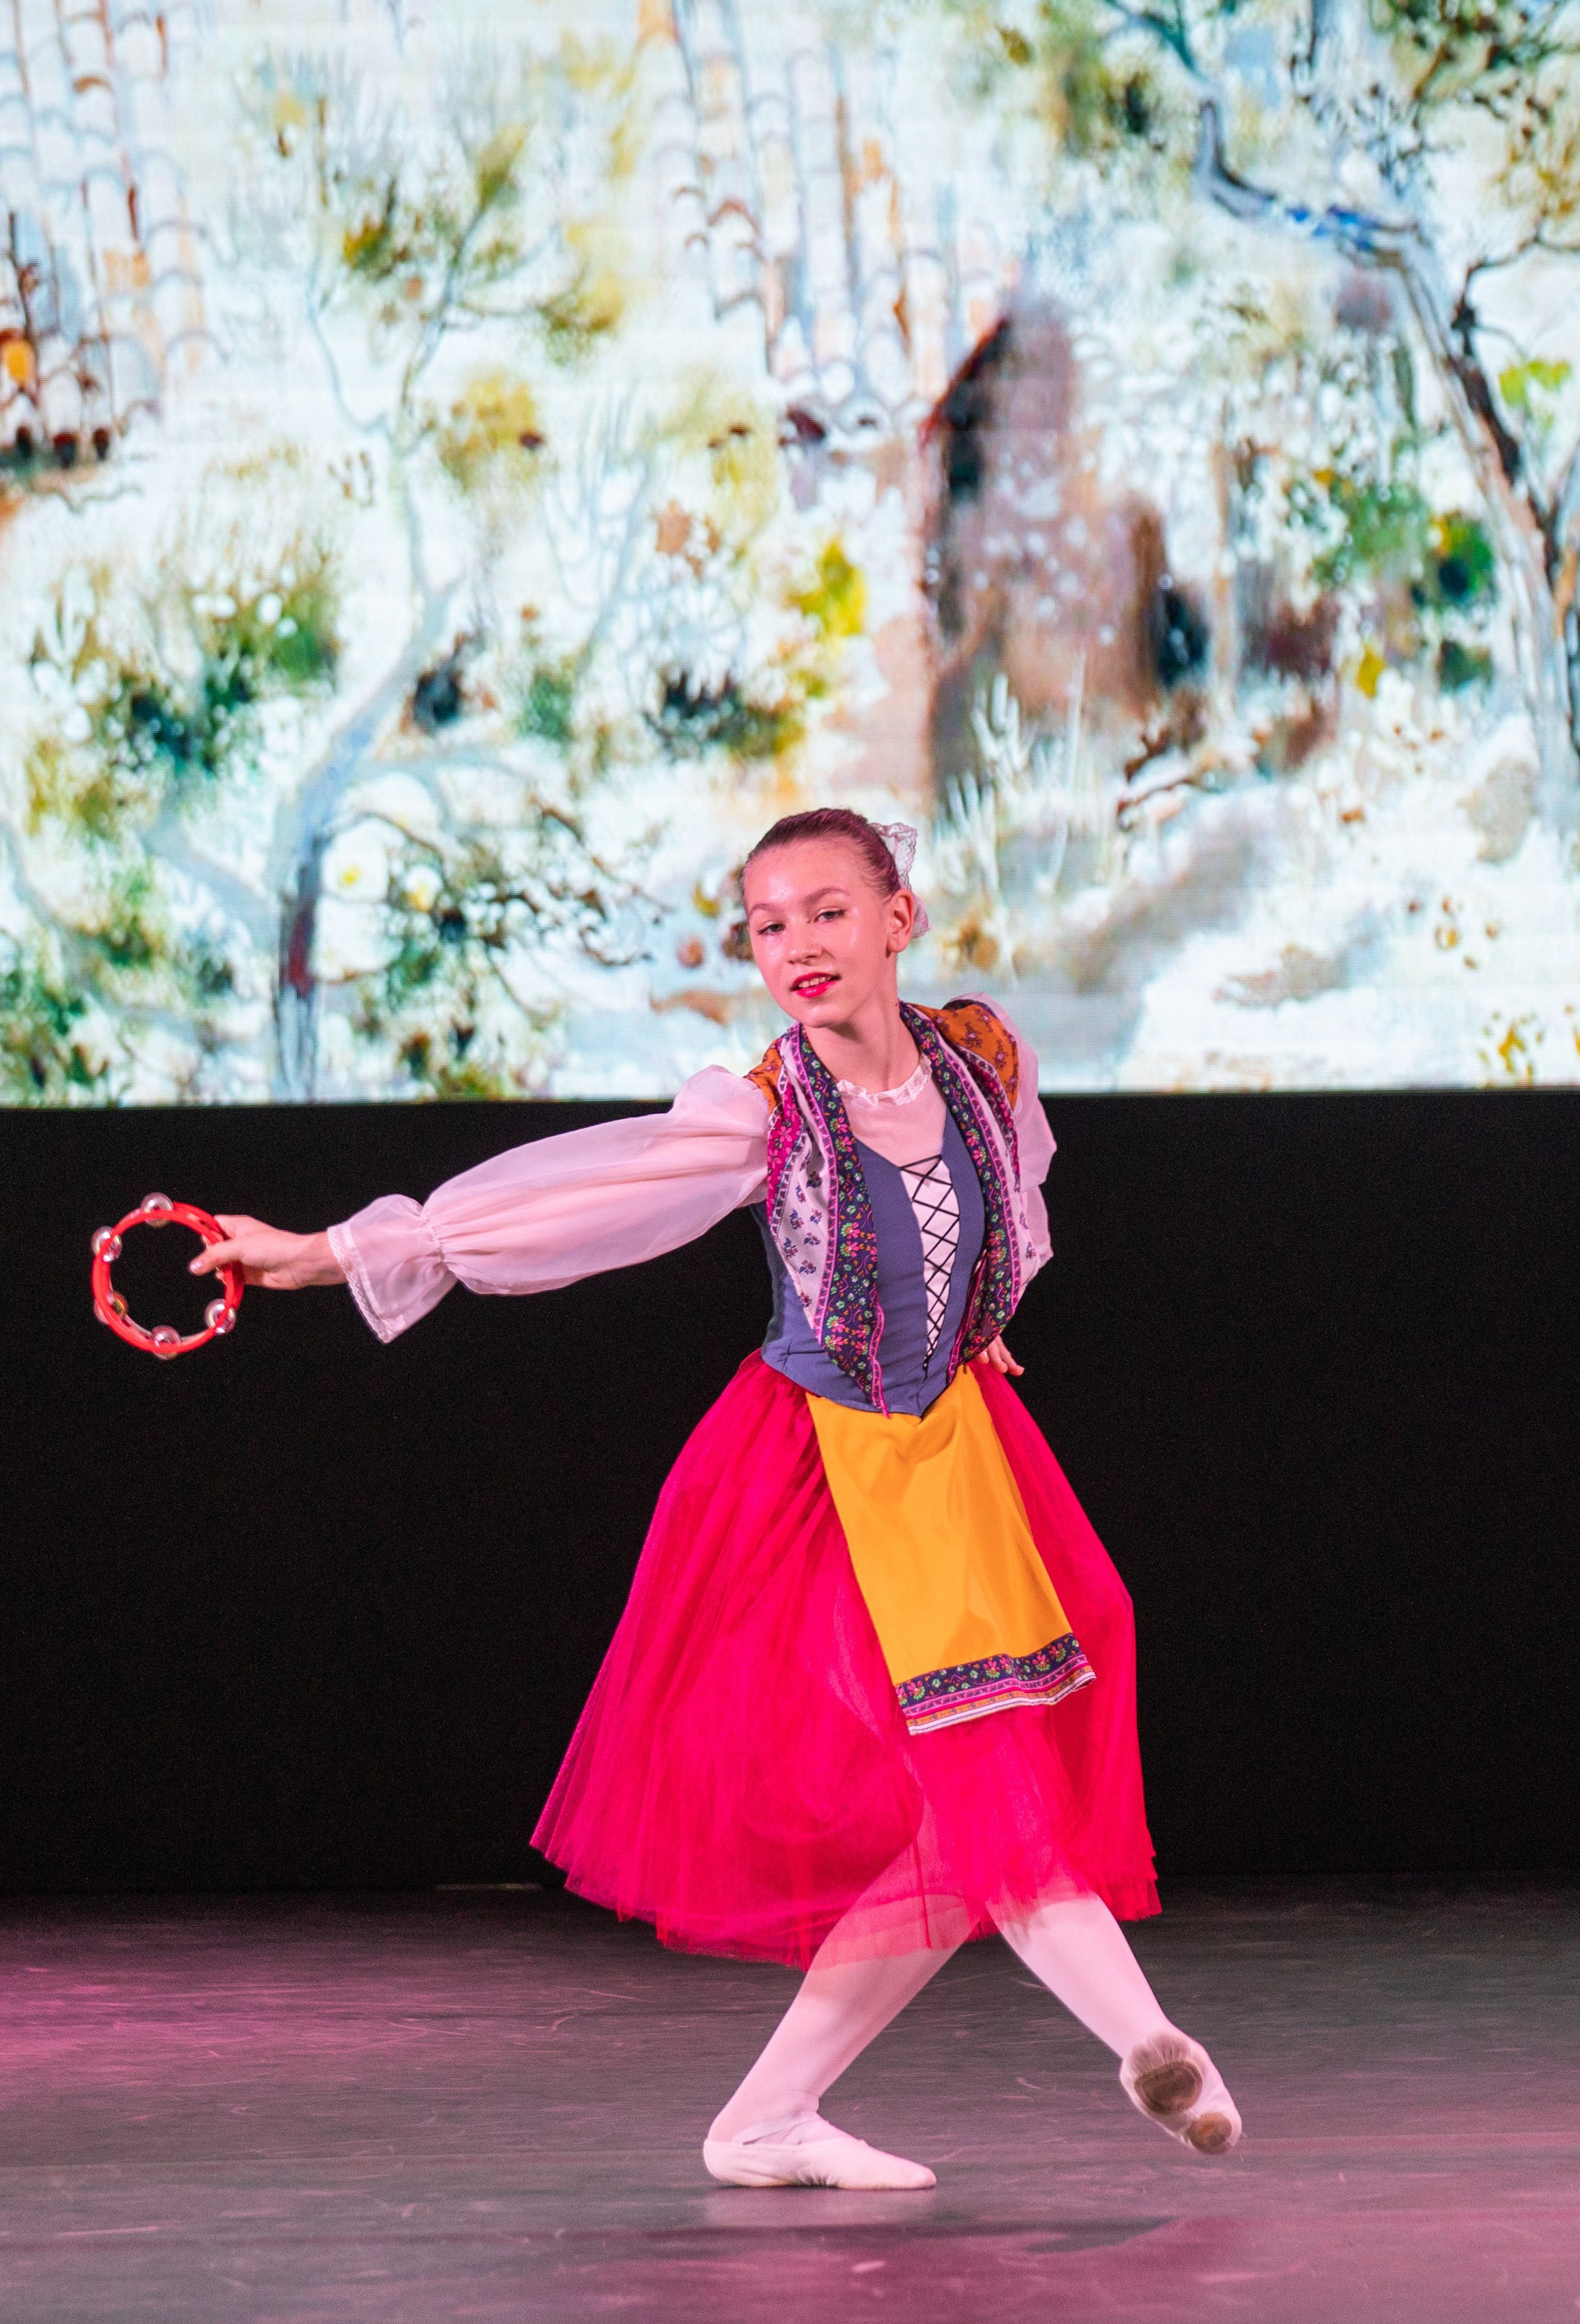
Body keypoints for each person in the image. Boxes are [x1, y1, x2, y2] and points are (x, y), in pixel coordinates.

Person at [195, 806, 1241, 2189]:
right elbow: (576, 1202)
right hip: (827, 1475)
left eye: (823, 912)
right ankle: (1146, 2041)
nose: (796, 946)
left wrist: (983, 1308)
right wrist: (336, 1251)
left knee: (969, 1820)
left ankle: (765, 2119)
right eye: (766, 925)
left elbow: (1014, 1185)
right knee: (990, 1793)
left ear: (895, 919)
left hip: (963, 1461)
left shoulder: (983, 1056)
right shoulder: (759, 1107)